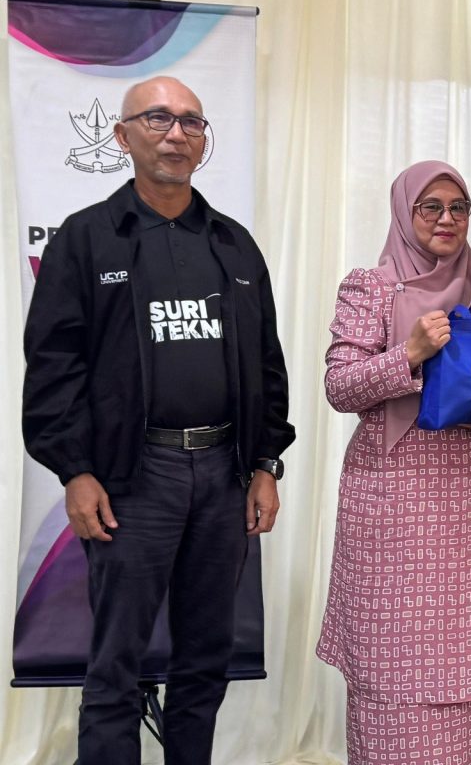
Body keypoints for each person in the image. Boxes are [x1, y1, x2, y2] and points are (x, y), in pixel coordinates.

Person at [21, 76, 295, 765]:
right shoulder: (86, 239)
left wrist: (265, 465)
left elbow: (267, 365)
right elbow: (53, 366)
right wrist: (75, 471)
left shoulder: (234, 245)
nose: (177, 134)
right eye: (158, 119)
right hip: (133, 480)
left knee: (206, 659)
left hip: (224, 477)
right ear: (123, 136)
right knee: (116, 663)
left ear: (204, 140)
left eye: (192, 122)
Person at [316, 160, 471, 764]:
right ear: (404, 213)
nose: (446, 219)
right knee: (391, 666)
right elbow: (340, 387)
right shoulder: (370, 287)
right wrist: (408, 353)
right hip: (391, 503)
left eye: (458, 207)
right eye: (429, 207)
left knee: (470, 661)